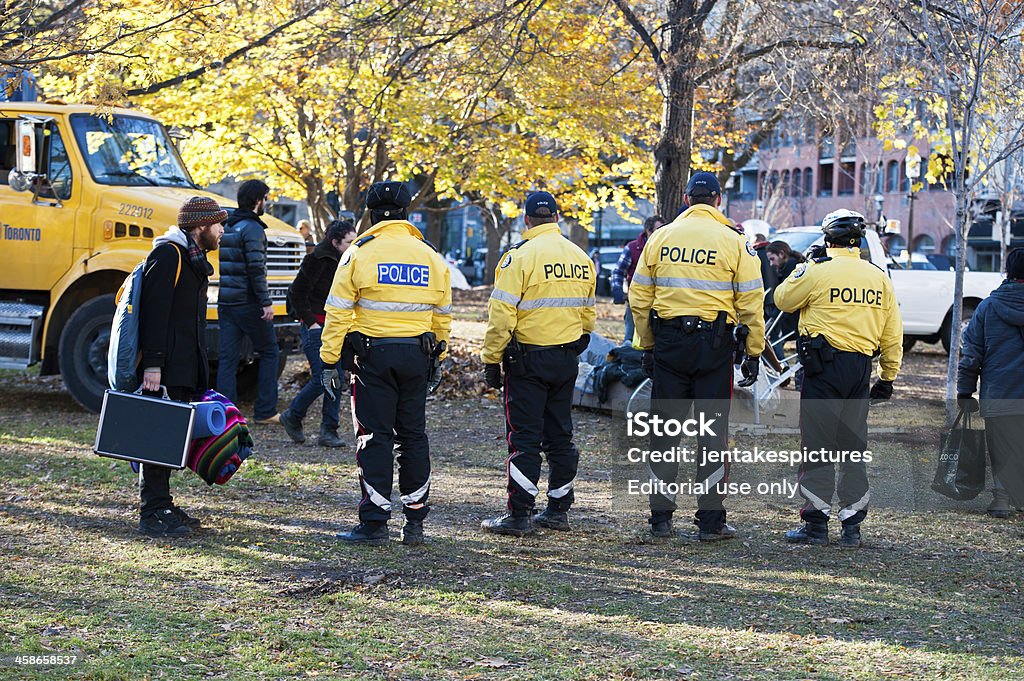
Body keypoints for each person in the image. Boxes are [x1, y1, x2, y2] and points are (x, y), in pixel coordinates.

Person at [629, 172, 765, 541]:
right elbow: (752, 302)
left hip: (670, 344)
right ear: (718, 199)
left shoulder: (661, 237)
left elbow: (639, 297)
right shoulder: (735, 241)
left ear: (687, 199)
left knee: (664, 434)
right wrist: (753, 351)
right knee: (712, 437)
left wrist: (647, 344)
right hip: (715, 347)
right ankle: (710, 522)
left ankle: (660, 520)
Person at [319, 181, 452, 546]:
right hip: (417, 357)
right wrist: (438, 357)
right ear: (407, 212)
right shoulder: (430, 255)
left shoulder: (360, 253)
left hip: (372, 358)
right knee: (413, 437)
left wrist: (330, 361)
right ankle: (415, 522)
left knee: (374, 437)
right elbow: (443, 314)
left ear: (371, 214)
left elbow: (338, 312)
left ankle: (375, 522)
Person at [774, 209, 903, 547]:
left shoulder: (818, 271)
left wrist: (806, 267)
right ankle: (852, 527)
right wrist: (888, 377)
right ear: (857, 241)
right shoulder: (878, 278)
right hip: (860, 371)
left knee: (816, 447)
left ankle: (815, 525)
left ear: (827, 239)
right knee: (853, 448)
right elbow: (892, 334)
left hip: (822, 371)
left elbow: (783, 300)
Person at [480, 191, 596, 536]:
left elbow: (501, 314)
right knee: (560, 435)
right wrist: (578, 338)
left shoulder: (519, 258)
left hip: (527, 360)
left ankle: (519, 514)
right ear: (557, 218)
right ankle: (558, 509)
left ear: (526, 220)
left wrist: (491, 359)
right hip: (566, 358)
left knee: (524, 438)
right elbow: (588, 313)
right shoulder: (580, 257)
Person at [138, 196, 227, 537]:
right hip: (166, 366)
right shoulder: (168, 255)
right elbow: (154, 314)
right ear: (201, 225)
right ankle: (152, 511)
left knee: (171, 437)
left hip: (185, 365)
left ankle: (162, 502)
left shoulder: (193, 259)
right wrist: (154, 366)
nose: (221, 232)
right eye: (218, 225)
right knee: (158, 438)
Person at [957, 247, 1024, 518]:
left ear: (1007, 271)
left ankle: (1001, 499)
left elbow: (971, 353)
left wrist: (965, 390)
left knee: (1001, 446)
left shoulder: (988, 306)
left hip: (1000, 391)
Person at [279, 219, 357, 448]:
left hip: (337, 326)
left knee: (335, 377)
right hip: (316, 326)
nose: (354, 245)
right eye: (349, 242)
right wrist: (311, 323)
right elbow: (297, 293)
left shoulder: (349, 260)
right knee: (324, 377)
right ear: (335, 242)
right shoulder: (316, 260)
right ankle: (293, 415)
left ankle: (328, 431)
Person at [216, 179, 280, 423]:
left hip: (227, 302)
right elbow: (256, 268)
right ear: (257, 200)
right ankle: (265, 411)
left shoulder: (229, 226)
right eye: (265, 198)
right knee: (269, 351)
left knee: (228, 359)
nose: (267, 202)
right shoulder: (253, 229)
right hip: (249, 303)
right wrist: (266, 303)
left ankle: (224, 413)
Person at [611, 215, 665, 345]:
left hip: (659, 302)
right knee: (631, 336)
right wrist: (617, 290)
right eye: (658, 229)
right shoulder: (633, 248)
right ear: (648, 231)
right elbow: (618, 271)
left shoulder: (665, 249)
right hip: (636, 301)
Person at [765, 241, 805, 360]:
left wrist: (774, 315)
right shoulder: (788, 267)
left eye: (772, 259)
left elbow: (787, 296)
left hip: (799, 318)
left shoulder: (792, 269)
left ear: (782, 254)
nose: (771, 264)